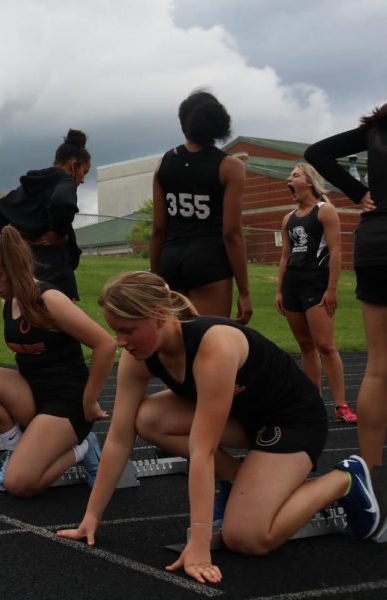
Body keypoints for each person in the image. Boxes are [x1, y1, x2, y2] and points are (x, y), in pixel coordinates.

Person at [57, 271, 384, 584]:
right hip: (243, 417)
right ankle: (240, 480)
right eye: (116, 331)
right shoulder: (138, 356)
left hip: (292, 422)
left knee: (247, 537)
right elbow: (118, 438)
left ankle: (345, 480)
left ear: (158, 316)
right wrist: (92, 517)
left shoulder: (214, 346)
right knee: (146, 419)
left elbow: (204, 450)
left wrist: (199, 543)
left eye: (128, 330)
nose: (120, 341)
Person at [0, 226, 115, 496]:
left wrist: (89, 400)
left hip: (66, 400)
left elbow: (105, 344)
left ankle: (82, 447)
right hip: (32, 392)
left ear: (16, 268)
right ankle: (18, 448)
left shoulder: (50, 299)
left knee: (19, 485)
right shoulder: (7, 302)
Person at [305, 103, 387, 469]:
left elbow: (316, 153)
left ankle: (369, 475)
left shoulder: (377, 130)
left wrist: (359, 193)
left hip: (374, 243)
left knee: (378, 367)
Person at [150, 90, 252, 323]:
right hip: (209, 259)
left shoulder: (163, 162)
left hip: (170, 258)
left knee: (175, 343)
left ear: (183, 123)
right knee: (210, 339)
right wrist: (244, 292)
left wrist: (156, 278)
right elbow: (231, 233)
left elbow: (158, 228)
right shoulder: (230, 166)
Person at [276, 163, 356, 424]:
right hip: (293, 285)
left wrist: (331, 289)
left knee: (325, 345)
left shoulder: (325, 210)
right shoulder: (288, 218)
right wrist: (279, 289)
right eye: (290, 175)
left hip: (316, 284)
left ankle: (342, 405)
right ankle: (313, 402)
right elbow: (285, 256)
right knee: (306, 346)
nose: (290, 179)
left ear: (309, 182)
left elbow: (336, 251)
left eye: (295, 175)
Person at [0, 129, 91, 299]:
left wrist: (18, 239)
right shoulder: (65, 183)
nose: (82, 179)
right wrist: (57, 232)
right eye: (84, 172)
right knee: (58, 323)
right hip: (55, 273)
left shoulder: (27, 188)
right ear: (74, 165)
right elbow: (62, 202)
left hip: (22, 271)